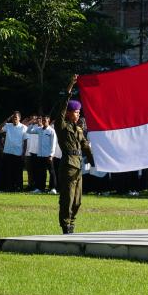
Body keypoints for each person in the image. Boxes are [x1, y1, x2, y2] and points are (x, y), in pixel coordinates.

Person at [55, 82, 91, 234]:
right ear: (69, 112)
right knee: (68, 198)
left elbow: (85, 146)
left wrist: (96, 160)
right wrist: (69, 88)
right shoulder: (62, 126)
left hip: (78, 166)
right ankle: (66, 225)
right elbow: (62, 108)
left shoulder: (78, 129)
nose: (78, 114)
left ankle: (72, 223)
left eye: (79, 112)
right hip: (68, 165)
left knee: (77, 200)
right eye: (76, 112)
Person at [0, 112, 28, 191]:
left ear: (19, 118)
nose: (14, 119)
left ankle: (18, 187)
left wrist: (24, 153)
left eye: (16, 117)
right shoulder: (8, 125)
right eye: (13, 117)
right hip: (8, 151)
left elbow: (25, 141)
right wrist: (7, 119)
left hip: (18, 152)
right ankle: (8, 187)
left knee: (18, 172)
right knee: (8, 171)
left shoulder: (24, 127)